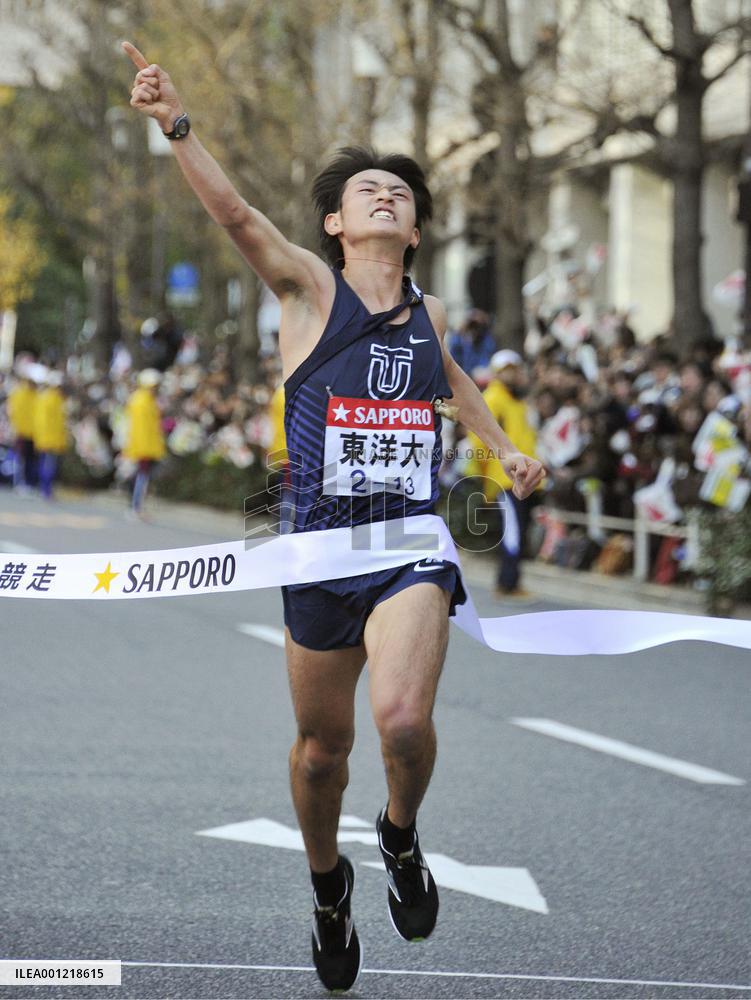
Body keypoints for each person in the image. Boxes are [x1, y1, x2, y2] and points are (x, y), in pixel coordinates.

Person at [124, 41, 545, 993]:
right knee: (323, 754)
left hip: (409, 547)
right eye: (365, 190)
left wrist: (498, 449)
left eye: (398, 192)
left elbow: (452, 381)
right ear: (333, 222)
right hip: (312, 551)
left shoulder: (428, 312)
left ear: (415, 229)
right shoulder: (309, 292)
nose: (385, 196)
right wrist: (175, 122)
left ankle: (398, 836)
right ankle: (328, 887)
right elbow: (232, 213)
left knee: (400, 722)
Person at [465, 350, 540, 597]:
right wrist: (483, 474)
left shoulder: (517, 402)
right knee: (512, 531)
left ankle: (511, 581)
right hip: (504, 478)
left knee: (517, 528)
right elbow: (478, 439)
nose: (513, 374)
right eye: (507, 369)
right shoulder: (493, 398)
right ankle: (507, 583)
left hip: (523, 478)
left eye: (515, 369)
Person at [123, 368, 166, 517]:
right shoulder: (141, 401)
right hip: (144, 447)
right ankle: (136, 507)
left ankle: (137, 506)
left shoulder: (145, 400)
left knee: (142, 476)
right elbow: (142, 429)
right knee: (141, 477)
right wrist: (145, 448)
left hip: (146, 446)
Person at [33, 370, 67, 500]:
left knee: (46, 464)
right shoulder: (51, 399)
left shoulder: (50, 398)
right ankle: (45, 490)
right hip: (50, 440)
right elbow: (45, 422)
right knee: (48, 466)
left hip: (49, 439)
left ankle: (45, 489)